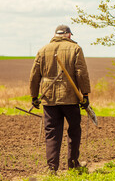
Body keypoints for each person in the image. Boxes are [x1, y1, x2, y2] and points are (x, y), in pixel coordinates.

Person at [29, 24, 91, 173]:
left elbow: (34, 76)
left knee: (51, 133)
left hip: (49, 99)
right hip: (70, 97)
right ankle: (73, 164)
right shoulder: (76, 49)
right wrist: (85, 94)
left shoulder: (42, 50)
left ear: (55, 35)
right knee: (74, 130)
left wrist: (34, 96)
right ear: (69, 35)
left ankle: (52, 169)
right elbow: (81, 73)